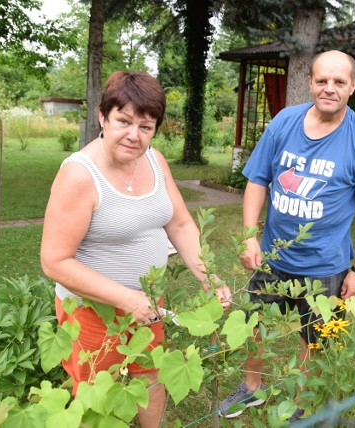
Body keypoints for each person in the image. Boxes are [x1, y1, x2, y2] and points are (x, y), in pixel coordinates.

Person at [41, 71, 232, 427]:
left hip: (147, 305)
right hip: (93, 313)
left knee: (149, 375)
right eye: (124, 121)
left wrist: (209, 277)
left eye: (146, 126)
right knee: (98, 396)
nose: (134, 135)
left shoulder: (155, 162)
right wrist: (126, 299)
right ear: (103, 116)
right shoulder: (79, 175)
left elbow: (179, 223)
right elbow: (54, 261)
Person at [218, 50, 355, 422]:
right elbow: (257, 179)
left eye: (339, 82)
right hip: (274, 256)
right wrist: (250, 237)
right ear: (310, 82)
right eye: (322, 80)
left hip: (326, 264)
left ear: (353, 87)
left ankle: (302, 403)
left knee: (315, 339)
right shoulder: (284, 122)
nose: (330, 88)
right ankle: (252, 388)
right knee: (253, 325)